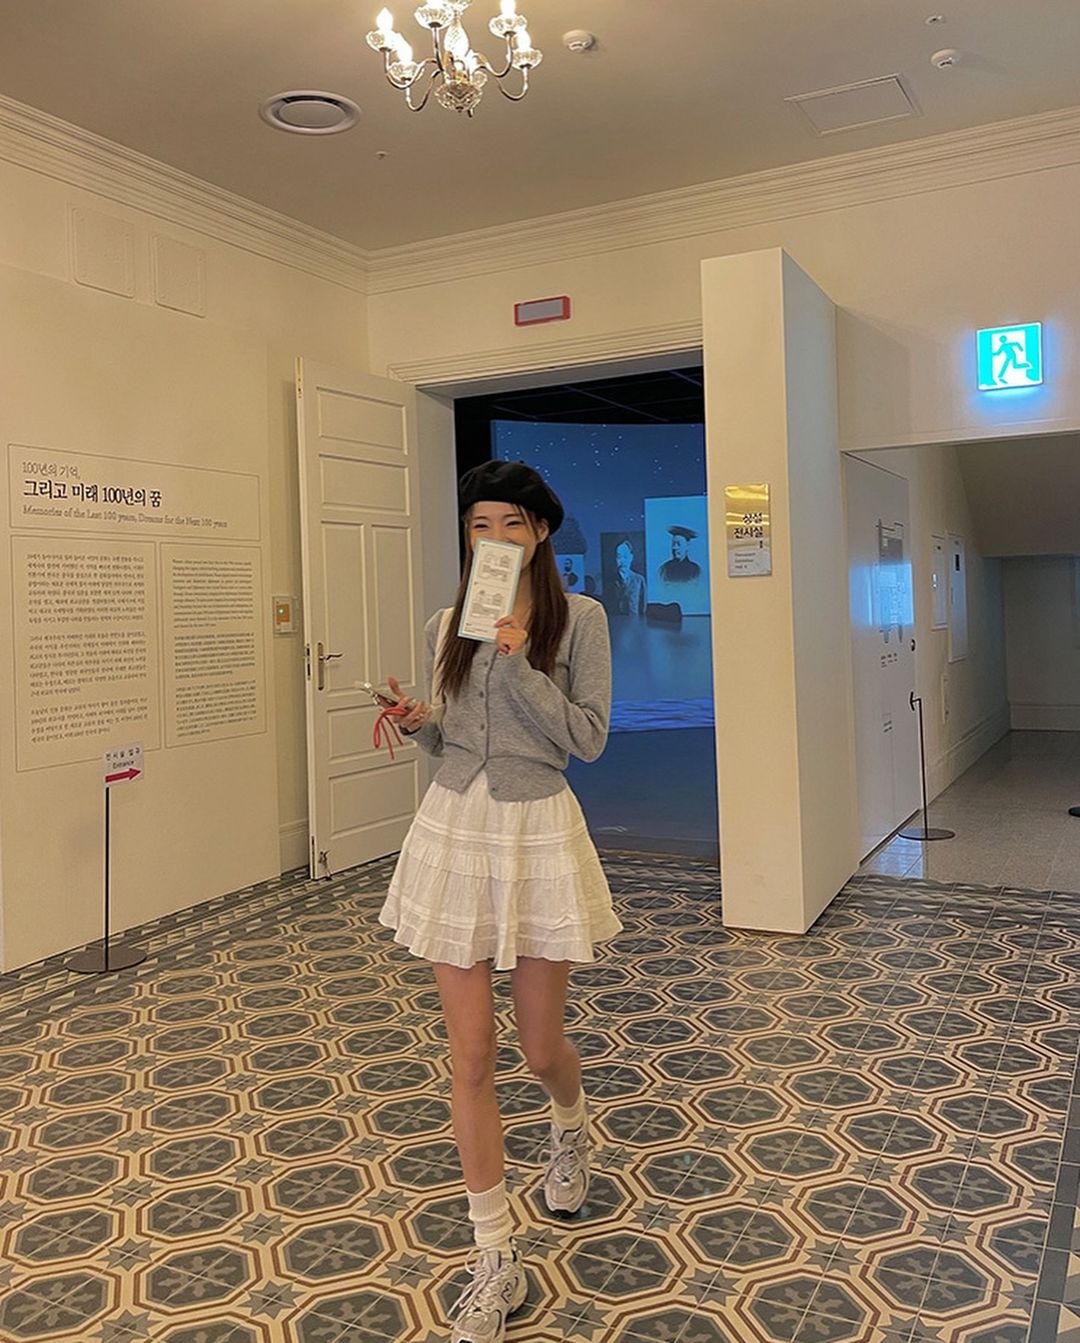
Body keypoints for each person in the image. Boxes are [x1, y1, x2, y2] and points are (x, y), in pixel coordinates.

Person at [378, 459, 622, 1343]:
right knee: (471, 1054)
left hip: (537, 830)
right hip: (453, 827)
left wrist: (521, 663)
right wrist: (420, 722)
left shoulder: (580, 618)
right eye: (480, 523)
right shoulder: (448, 621)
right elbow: (453, 734)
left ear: (541, 531)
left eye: (511, 523)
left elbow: (588, 737)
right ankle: (495, 1255)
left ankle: (570, 1126)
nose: (494, 538)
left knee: (539, 1045)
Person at [608, 538, 646, 616]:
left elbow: (643, 608)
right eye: (619, 557)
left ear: (631, 557)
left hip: (635, 621)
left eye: (625, 557)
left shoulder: (639, 580)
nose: (622, 561)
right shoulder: (609, 580)